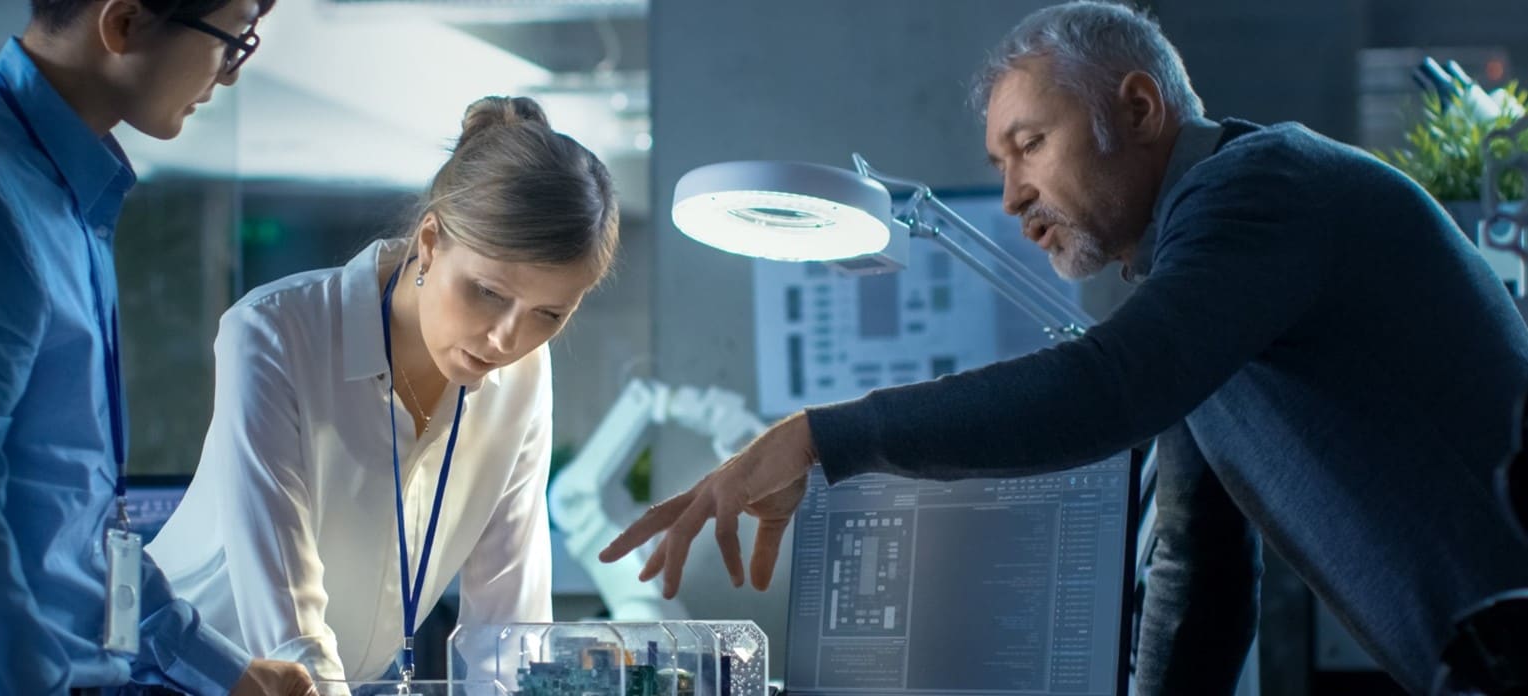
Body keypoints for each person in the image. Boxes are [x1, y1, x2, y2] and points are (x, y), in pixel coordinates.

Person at [600, 2, 1528, 693]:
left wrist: (818, 436)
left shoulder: (1264, 191)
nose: (1009, 198)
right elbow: (1196, 564)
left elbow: (1108, 388)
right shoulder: (1206, 279)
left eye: (1029, 145)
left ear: (1134, 108)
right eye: (1000, 164)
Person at [0, 1, 313, 694]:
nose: (227, 76)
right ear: (124, 22)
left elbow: (80, 532)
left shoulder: (62, 188)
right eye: (230, 42)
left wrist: (225, 673)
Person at [146, 95, 620, 684]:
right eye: (488, 293)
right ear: (429, 241)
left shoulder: (524, 374)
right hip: (179, 681)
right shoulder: (274, 334)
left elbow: (510, 629)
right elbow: (290, 639)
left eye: (548, 314)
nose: (506, 338)